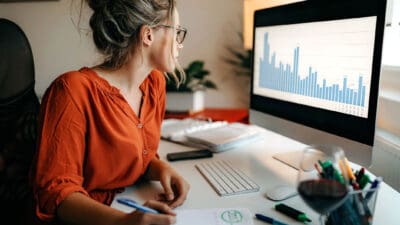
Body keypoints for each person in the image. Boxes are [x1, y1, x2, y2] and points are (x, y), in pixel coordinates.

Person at [31, 0, 190, 224]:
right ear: (148, 36)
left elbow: (133, 156)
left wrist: (160, 168)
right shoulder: (72, 90)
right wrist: (124, 222)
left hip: (125, 200)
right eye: (177, 32)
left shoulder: (154, 84)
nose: (180, 44)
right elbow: (55, 194)